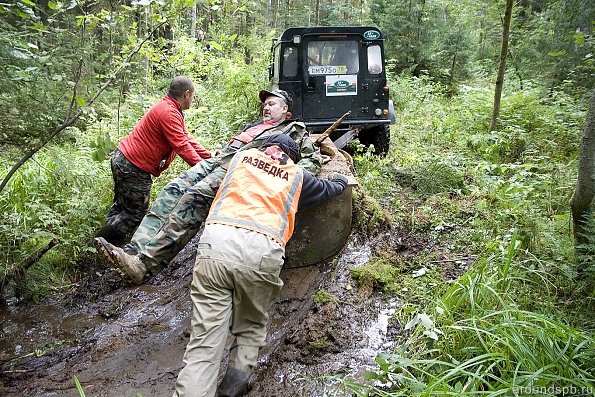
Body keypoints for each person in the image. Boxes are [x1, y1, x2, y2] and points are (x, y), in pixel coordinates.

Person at [171, 134, 348, 397]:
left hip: (216, 243)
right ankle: (230, 390)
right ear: (292, 156)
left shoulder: (241, 158)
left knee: (204, 343)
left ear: (264, 149)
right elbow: (326, 189)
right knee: (251, 326)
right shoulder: (296, 174)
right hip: (261, 249)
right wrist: (341, 181)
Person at [95, 89, 322, 284]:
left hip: (240, 169)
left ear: (285, 110)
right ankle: (133, 251)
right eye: (264, 104)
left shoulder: (294, 129)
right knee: (171, 190)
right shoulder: (253, 126)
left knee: (193, 199)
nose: (266, 107)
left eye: (272, 104)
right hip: (215, 161)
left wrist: (281, 176)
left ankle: (144, 265)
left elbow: (312, 159)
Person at [95, 76, 212, 245]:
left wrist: (210, 159)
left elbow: (186, 139)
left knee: (124, 209)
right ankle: (98, 245)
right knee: (134, 213)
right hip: (132, 166)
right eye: (193, 96)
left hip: (125, 160)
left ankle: (107, 246)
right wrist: (204, 169)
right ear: (186, 94)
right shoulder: (169, 112)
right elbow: (182, 147)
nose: (193, 100)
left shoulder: (170, 109)